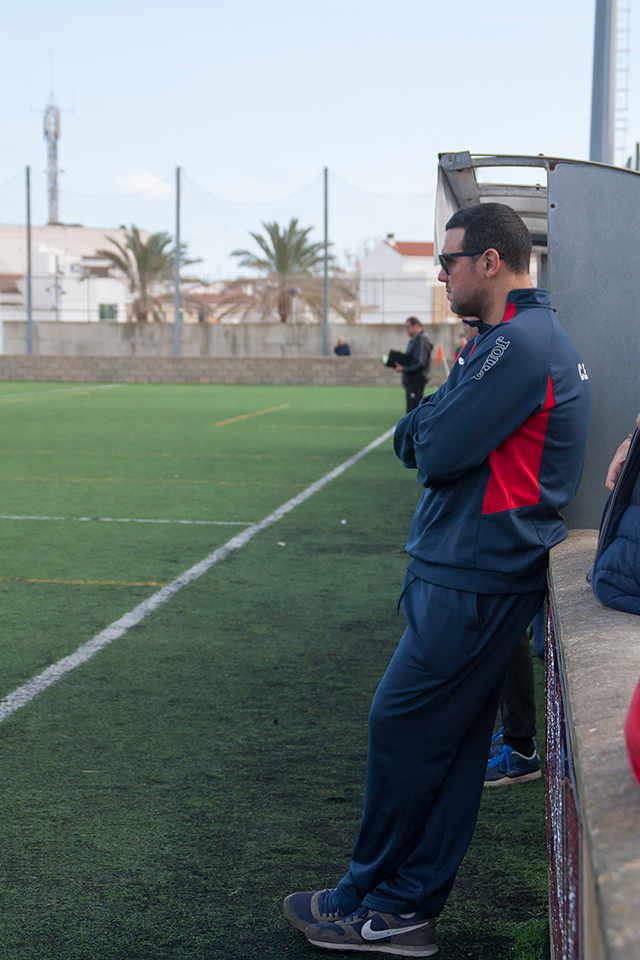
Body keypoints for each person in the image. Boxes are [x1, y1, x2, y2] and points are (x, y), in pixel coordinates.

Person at [283, 202, 590, 957]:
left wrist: (430, 423)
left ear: (491, 261)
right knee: (449, 750)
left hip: (477, 574)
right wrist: (430, 422)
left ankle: (370, 894)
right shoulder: (507, 339)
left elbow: (436, 448)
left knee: (402, 728)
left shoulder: (519, 343)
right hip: (470, 569)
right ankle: (399, 909)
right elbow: (421, 432)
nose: (442, 275)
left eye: (448, 262)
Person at [395, 317, 432, 413]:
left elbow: (420, 363)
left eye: (408, 327)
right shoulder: (415, 340)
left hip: (416, 380)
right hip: (412, 380)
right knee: (411, 409)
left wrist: (404, 369)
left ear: (416, 326)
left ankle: (415, 428)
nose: (406, 330)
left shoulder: (421, 340)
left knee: (414, 409)